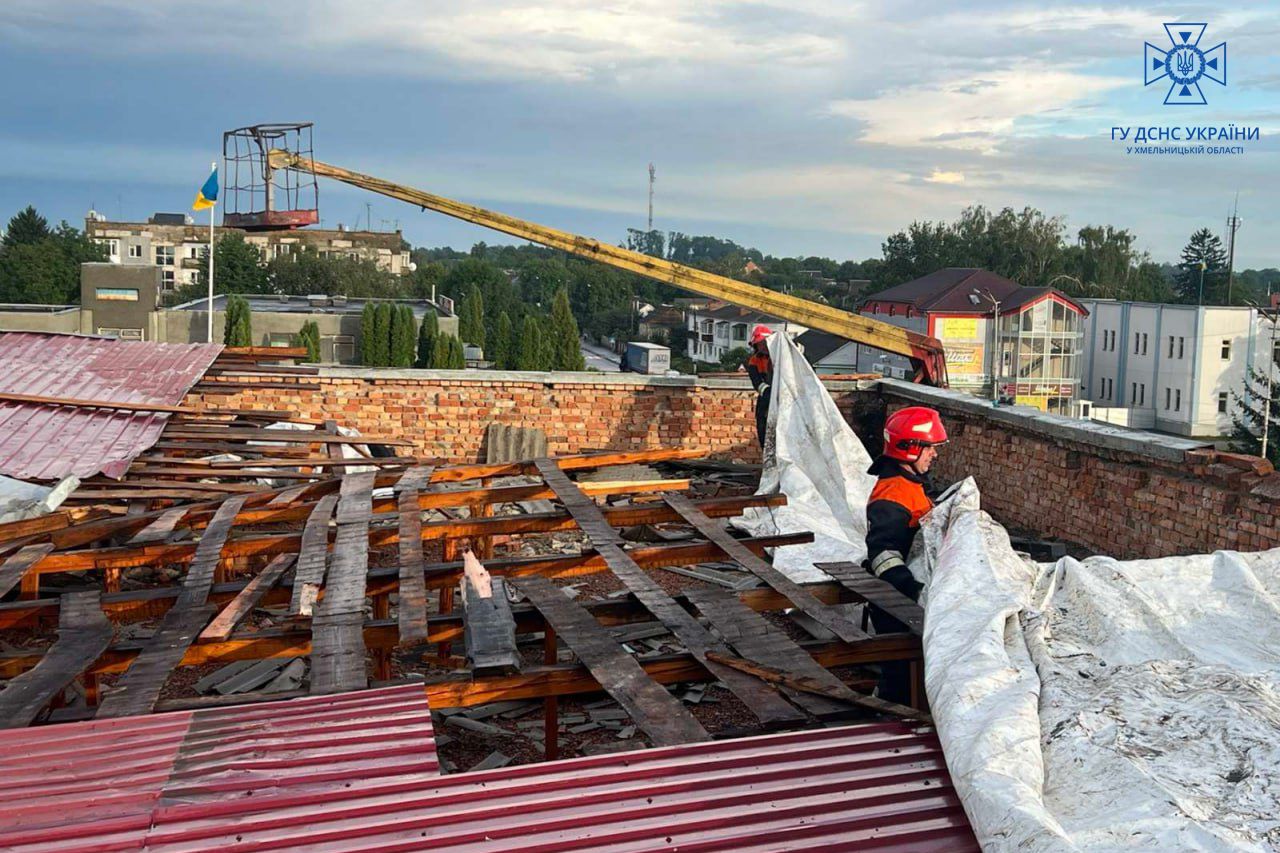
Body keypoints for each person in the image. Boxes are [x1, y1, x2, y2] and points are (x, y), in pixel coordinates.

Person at [863, 405, 948, 704]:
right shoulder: (891, 497)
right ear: (909, 447)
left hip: (902, 600)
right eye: (929, 448)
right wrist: (914, 591)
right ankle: (888, 716)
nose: (934, 454)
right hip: (896, 605)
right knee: (899, 679)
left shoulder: (909, 484)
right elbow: (882, 555)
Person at [744, 324, 772, 448]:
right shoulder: (754, 361)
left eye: (764, 343)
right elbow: (757, 383)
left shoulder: (780, 355)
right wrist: (769, 393)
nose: (762, 346)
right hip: (765, 400)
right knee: (763, 432)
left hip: (784, 398)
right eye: (759, 344)